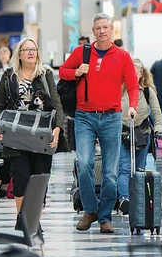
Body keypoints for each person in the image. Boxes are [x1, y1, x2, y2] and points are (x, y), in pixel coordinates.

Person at [59, 14, 139, 234]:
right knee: (84, 164)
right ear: (93, 31)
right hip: (84, 116)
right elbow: (62, 71)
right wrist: (76, 72)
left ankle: (104, 216)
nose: (102, 31)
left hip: (112, 117)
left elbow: (133, 85)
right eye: (98, 28)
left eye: (106, 27)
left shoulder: (122, 56)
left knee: (111, 173)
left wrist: (132, 105)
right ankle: (90, 210)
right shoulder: (82, 52)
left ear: (112, 29)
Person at [0, 37, 65, 214]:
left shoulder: (45, 74)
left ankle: (35, 223)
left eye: (34, 49)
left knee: (40, 178)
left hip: (41, 134)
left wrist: (57, 128)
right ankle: (22, 219)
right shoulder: (9, 76)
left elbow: (56, 103)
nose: (31, 52)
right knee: (21, 178)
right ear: (19, 54)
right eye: (26, 49)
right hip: (16, 134)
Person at [116, 59, 162, 214]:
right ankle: (124, 199)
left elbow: (157, 113)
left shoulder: (147, 91)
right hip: (122, 132)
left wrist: (159, 130)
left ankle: (138, 200)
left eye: (134, 71)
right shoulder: (118, 89)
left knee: (139, 169)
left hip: (142, 134)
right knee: (124, 168)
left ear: (141, 73)